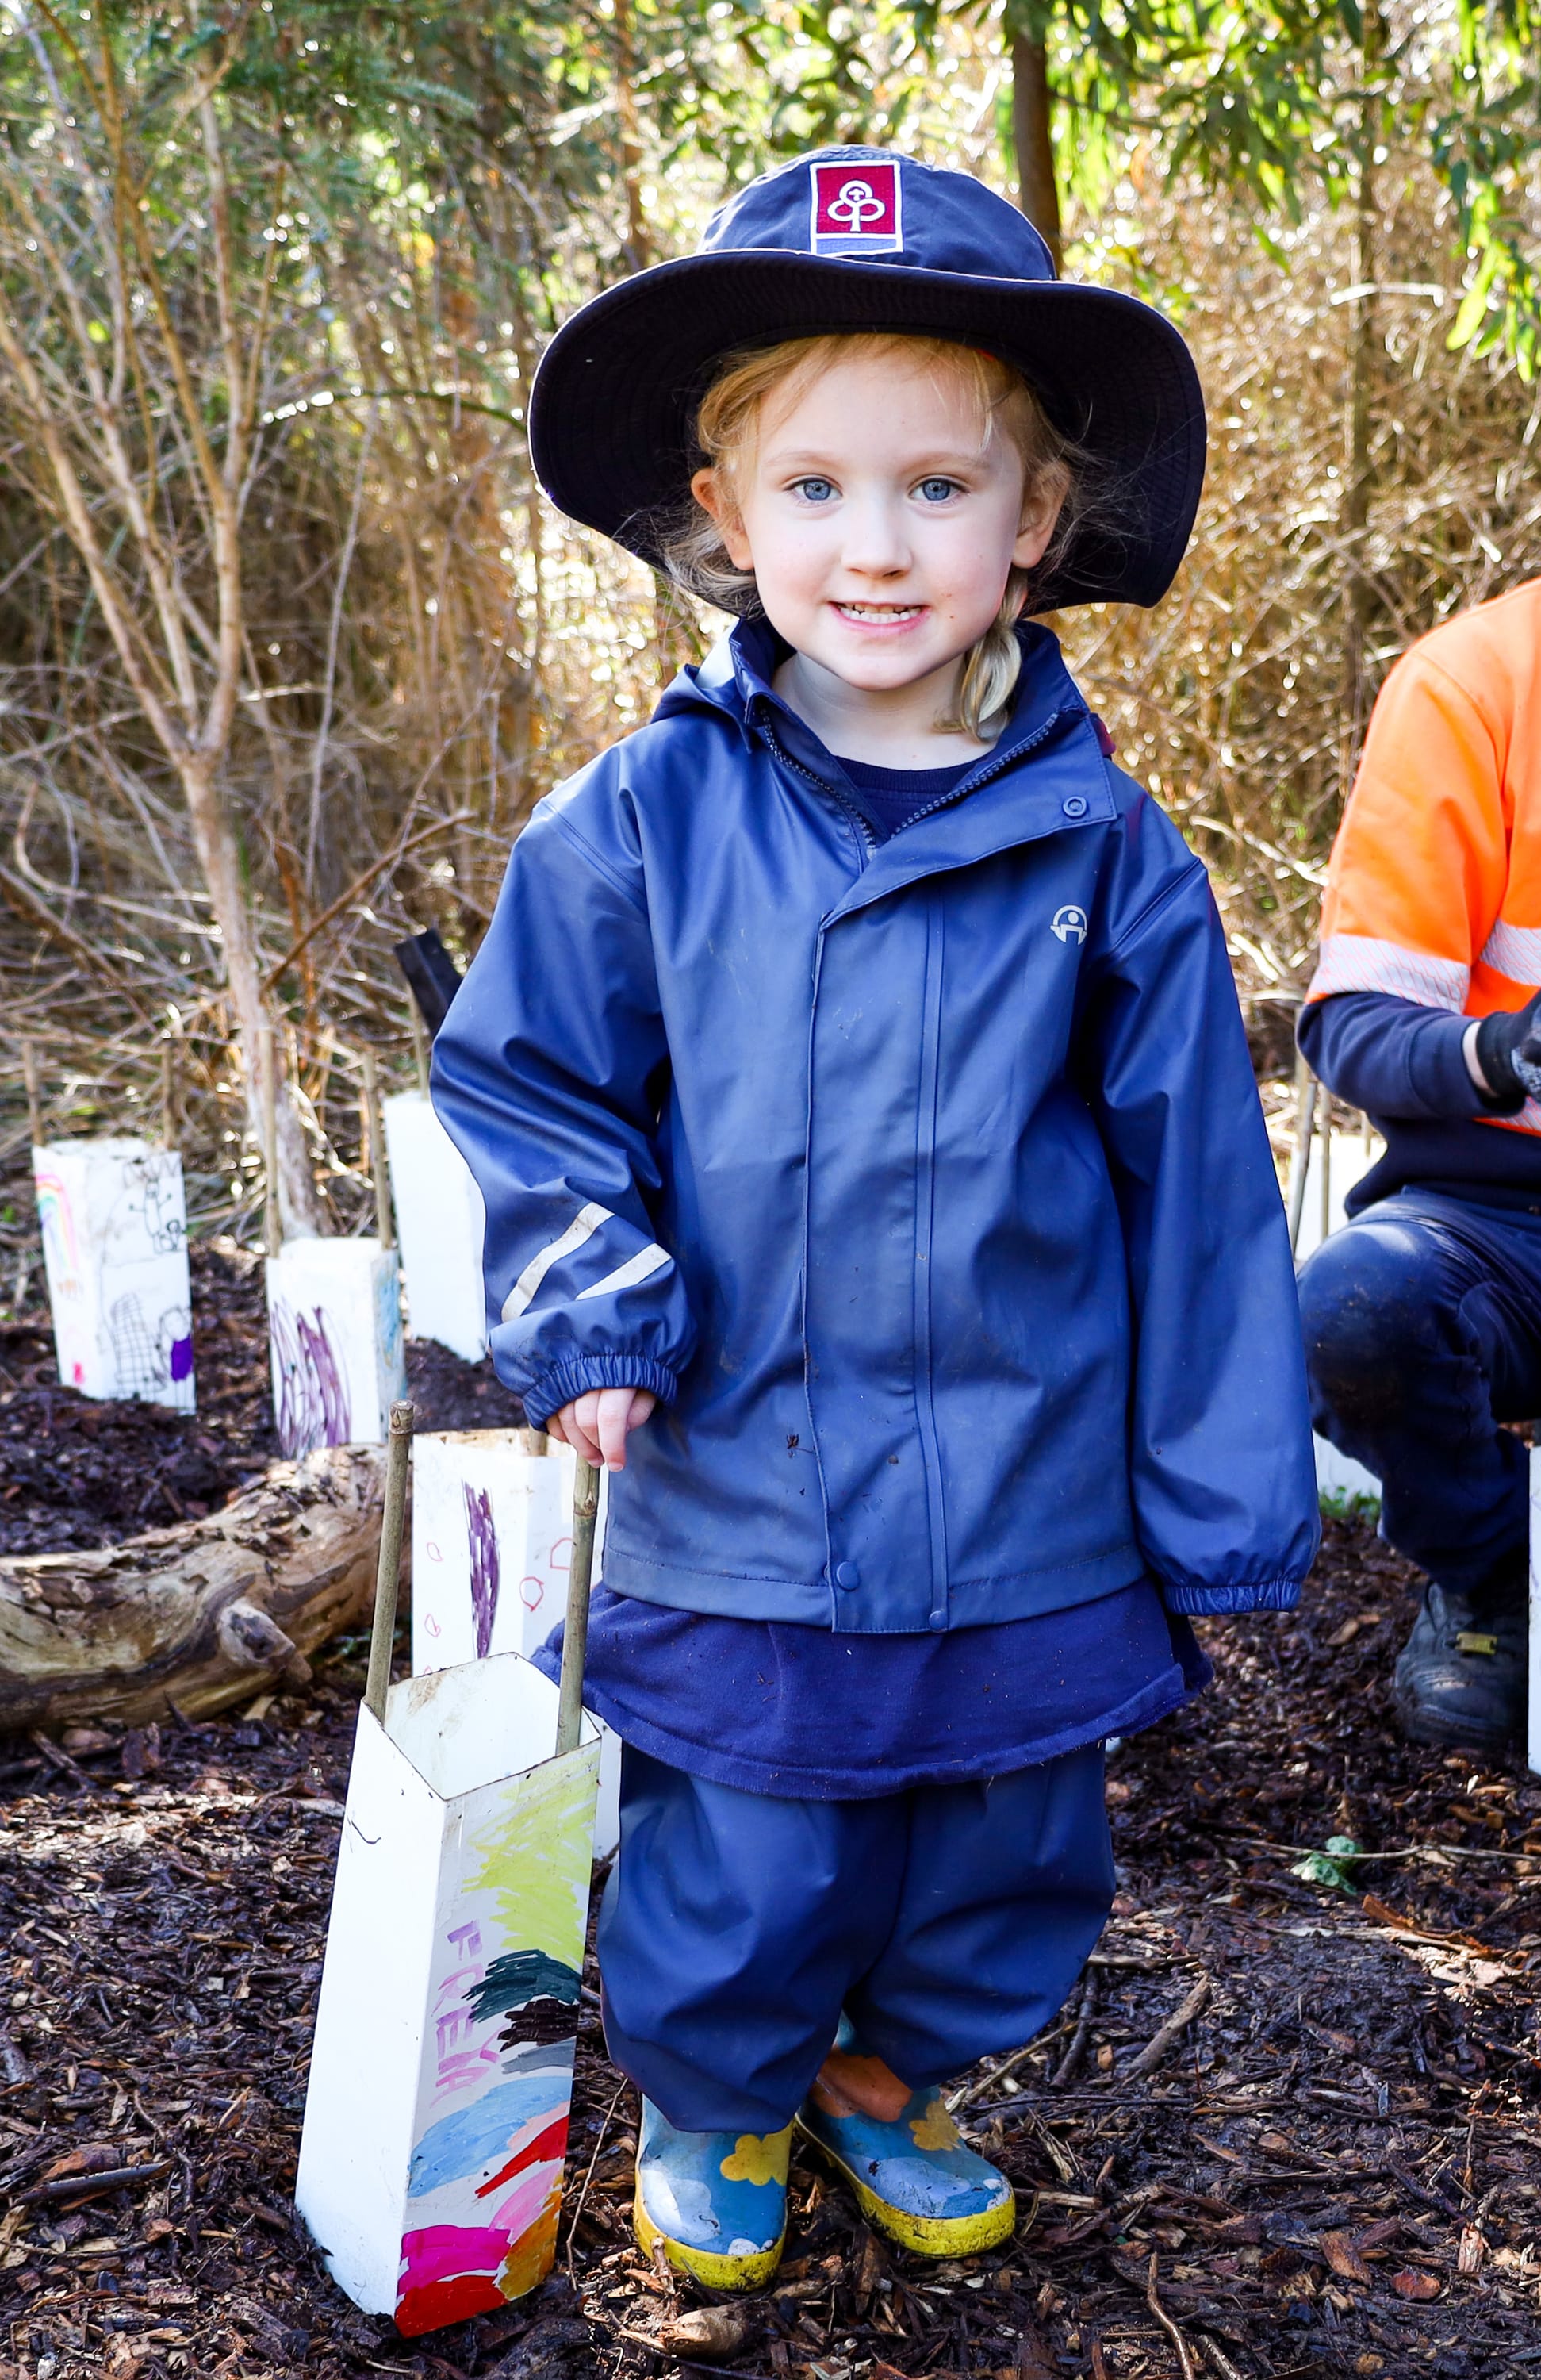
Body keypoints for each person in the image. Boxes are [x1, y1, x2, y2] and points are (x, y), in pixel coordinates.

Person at [431, 145, 1317, 2293]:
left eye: (938, 489)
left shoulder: (1112, 856)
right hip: (743, 1470)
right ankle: (730, 2090)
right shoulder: (640, 817)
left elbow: (1195, 1193)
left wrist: (1219, 1503)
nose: (876, 542)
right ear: (726, 523)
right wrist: (590, 1306)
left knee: (1002, 1843)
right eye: (815, 489)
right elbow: (523, 1087)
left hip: (1029, 1483)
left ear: (1034, 526)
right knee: (755, 1836)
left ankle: (895, 2078)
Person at [1297, 552, 1541, 1752]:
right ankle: (1503, 1579)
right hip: (1507, 1226)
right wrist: (1502, 1052)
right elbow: (1354, 1026)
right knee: (1354, 1308)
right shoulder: (1484, 679)